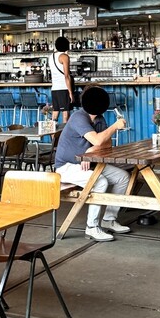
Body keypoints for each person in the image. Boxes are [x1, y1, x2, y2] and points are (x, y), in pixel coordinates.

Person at [55, 85, 131, 242]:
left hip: (89, 164)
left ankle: (109, 219)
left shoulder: (99, 118)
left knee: (123, 177)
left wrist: (89, 152)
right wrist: (115, 126)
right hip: (66, 167)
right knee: (100, 182)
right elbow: (98, 140)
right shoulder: (78, 117)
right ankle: (91, 227)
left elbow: (107, 144)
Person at [48, 36, 74, 124]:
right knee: (65, 115)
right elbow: (66, 76)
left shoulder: (51, 56)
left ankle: (52, 132)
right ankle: (64, 133)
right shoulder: (64, 56)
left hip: (54, 88)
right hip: (63, 88)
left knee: (55, 113)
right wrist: (70, 93)